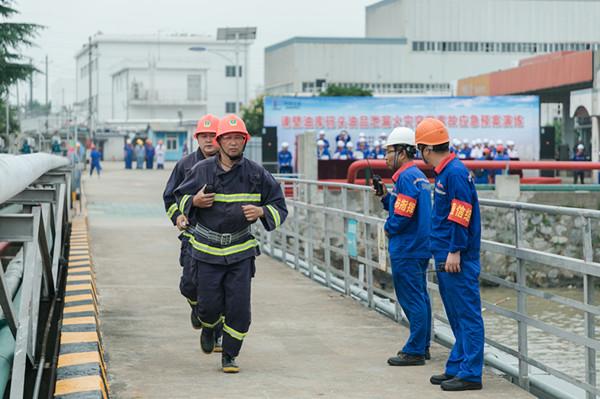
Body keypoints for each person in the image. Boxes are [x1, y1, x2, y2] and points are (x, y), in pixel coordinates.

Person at [174, 114, 287, 373]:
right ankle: (208, 326)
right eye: (228, 138)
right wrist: (194, 203)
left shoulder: (257, 174)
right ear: (219, 141)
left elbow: (279, 206)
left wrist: (261, 212)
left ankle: (230, 355)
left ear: (245, 141)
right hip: (206, 252)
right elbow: (179, 196)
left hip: (240, 253)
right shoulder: (200, 170)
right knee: (209, 306)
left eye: (238, 138)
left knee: (239, 309)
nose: (234, 143)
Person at [415, 118, 484, 392]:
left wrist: (455, 250)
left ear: (426, 148)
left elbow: (461, 213)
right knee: (456, 314)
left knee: (467, 314)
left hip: (457, 257)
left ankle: (471, 373)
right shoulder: (446, 172)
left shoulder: (454, 173)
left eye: (420, 149)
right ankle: (457, 365)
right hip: (445, 253)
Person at [163, 114, 221, 344]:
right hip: (193, 236)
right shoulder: (185, 165)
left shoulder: (231, 165)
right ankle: (195, 306)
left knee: (219, 290)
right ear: (197, 138)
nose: (208, 140)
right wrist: (178, 216)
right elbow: (169, 197)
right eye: (204, 136)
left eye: (213, 136)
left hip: (220, 238)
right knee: (189, 285)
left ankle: (216, 334)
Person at [376, 127, 432, 367]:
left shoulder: (406, 177)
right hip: (419, 246)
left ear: (401, 152)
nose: (386, 157)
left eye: (389, 152)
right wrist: (386, 197)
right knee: (421, 296)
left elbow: (403, 215)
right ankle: (423, 345)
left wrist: (389, 227)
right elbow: (402, 206)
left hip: (407, 248)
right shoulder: (417, 176)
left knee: (411, 298)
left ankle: (415, 349)